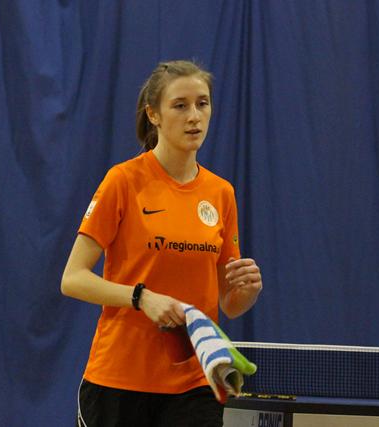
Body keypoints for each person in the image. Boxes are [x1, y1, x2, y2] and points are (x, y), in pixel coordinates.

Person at [61, 60, 263, 427]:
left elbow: (229, 304)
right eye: (180, 105)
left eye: (202, 104)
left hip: (195, 384)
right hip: (120, 381)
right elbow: (73, 279)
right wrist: (141, 297)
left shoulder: (221, 193)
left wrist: (246, 291)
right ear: (153, 114)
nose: (194, 116)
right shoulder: (123, 181)